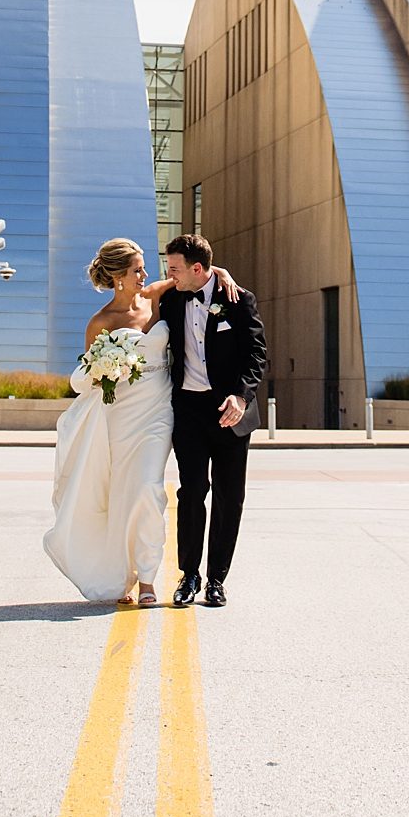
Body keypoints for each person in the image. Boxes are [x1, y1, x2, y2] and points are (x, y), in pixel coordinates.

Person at [44, 238, 237, 606]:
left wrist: (223, 271)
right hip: (120, 414)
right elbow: (88, 376)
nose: (146, 274)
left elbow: (202, 275)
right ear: (118, 276)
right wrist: (106, 370)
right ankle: (122, 576)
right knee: (122, 494)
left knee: (148, 488)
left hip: (159, 409)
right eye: (137, 269)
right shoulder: (100, 322)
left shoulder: (153, 297)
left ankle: (148, 577)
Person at [157, 233, 265, 608]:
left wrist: (241, 395)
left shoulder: (238, 299)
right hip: (187, 411)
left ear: (196, 268)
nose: (169, 275)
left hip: (230, 413)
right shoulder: (171, 298)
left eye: (174, 268)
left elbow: (256, 355)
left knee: (228, 497)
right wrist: (217, 269)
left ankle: (217, 579)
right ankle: (188, 575)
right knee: (191, 493)